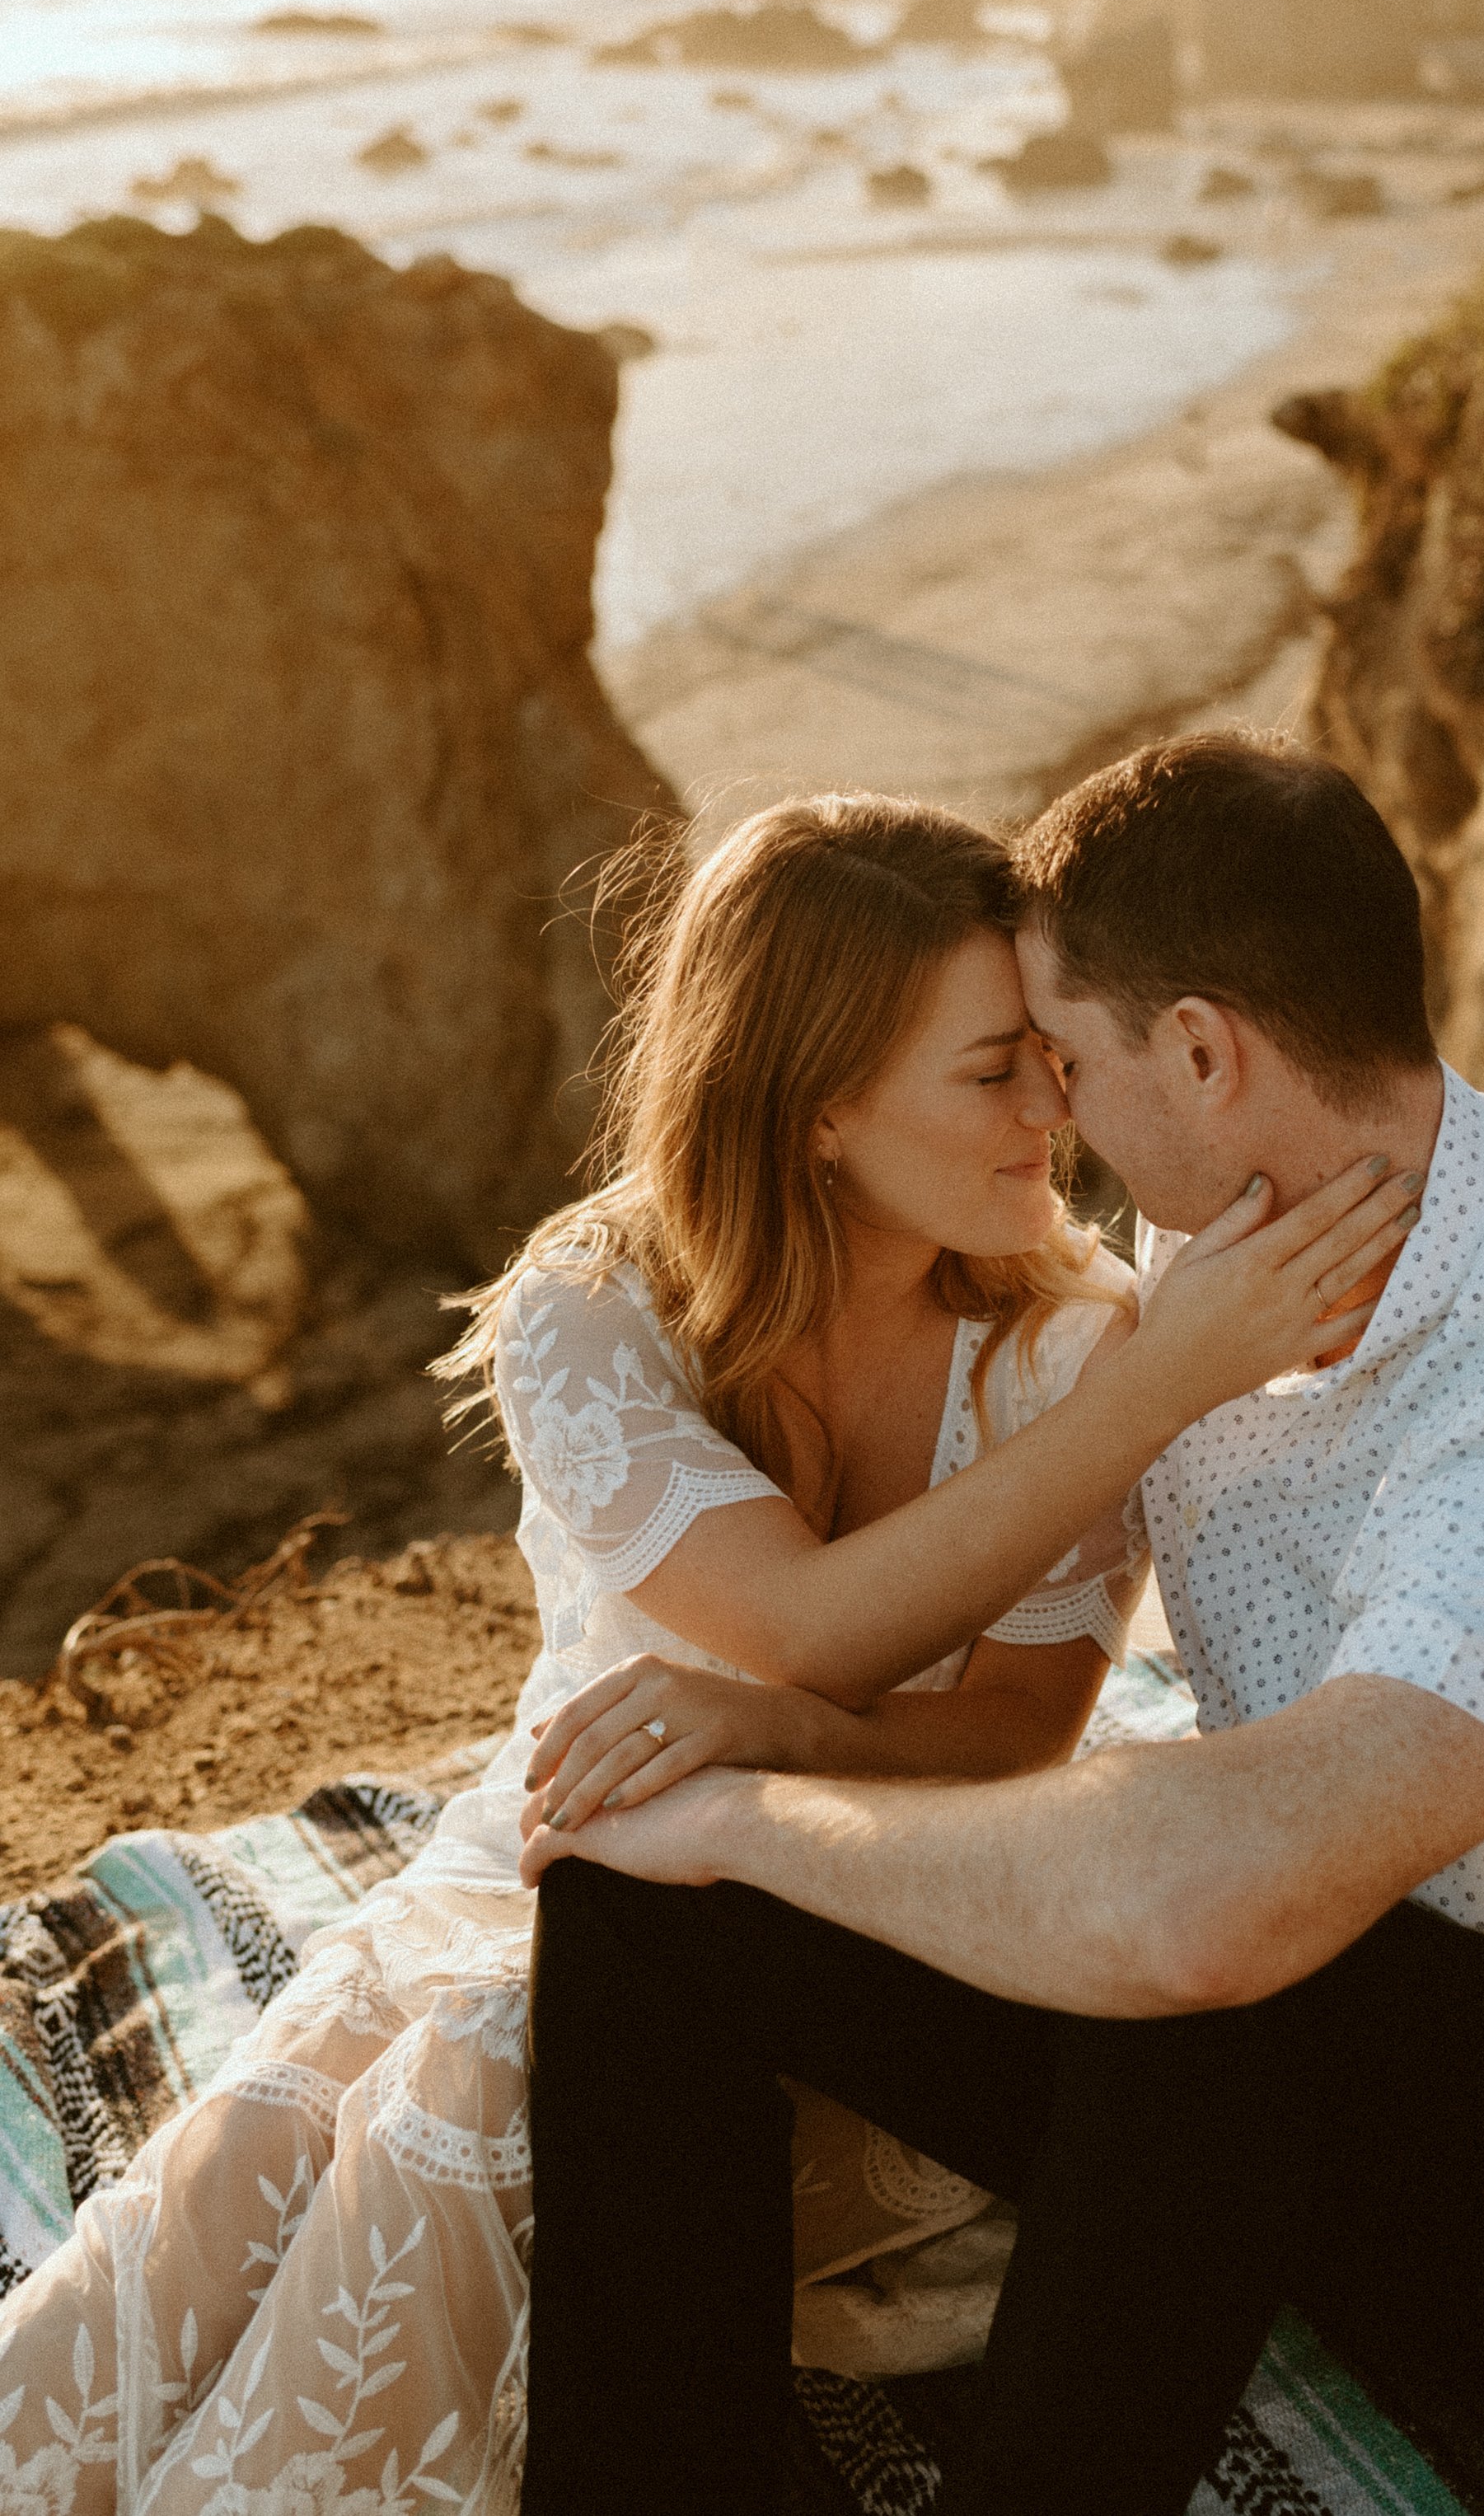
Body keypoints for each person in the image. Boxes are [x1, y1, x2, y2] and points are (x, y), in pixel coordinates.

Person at [0, 794, 1411, 2516]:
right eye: (992, 1071)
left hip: (904, 1919)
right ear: (818, 1109)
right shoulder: (592, 1303)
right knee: (253, 2158)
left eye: (1049, 1053)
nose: (1055, 1107)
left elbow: (1010, 1742)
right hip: (554, 1859)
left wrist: (1119, 1396)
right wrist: (1148, 1398)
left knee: (470, 2092)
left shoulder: (1074, 1339)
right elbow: (802, 1624)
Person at [518, 734, 1484, 2516]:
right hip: (1291, 2012)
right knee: (634, 1895)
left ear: (1200, 1050)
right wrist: (729, 1813)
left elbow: (1222, 1899)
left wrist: (754, 1803)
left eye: (1060, 1059)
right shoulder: (1203, 1280)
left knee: (1199, 1953)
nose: (1048, 1117)